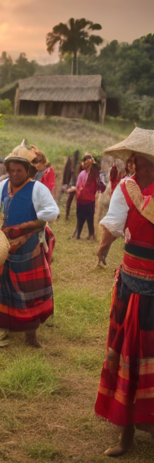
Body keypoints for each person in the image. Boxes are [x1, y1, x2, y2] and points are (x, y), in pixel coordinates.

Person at [95, 136, 154, 456]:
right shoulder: (126, 188)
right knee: (128, 357)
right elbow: (114, 225)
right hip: (131, 285)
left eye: (145, 162)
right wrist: (102, 249)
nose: (138, 166)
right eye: (136, 161)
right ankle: (126, 433)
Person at [0, 141, 59, 348]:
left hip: (29, 249)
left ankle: (31, 335)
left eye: (19, 170)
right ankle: (2, 331)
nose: (14, 173)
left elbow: (50, 213)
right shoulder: (2, 187)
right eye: (11, 170)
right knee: (3, 291)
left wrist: (23, 228)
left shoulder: (38, 189)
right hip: (5, 249)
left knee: (31, 293)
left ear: (28, 171)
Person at [75, 154, 105, 240]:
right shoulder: (83, 174)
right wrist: (80, 191)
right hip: (83, 199)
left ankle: (90, 234)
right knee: (82, 217)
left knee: (89, 218)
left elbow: (100, 187)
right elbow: (78, 185)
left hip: (89, 200)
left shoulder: (95, 176)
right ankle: (79, 234)